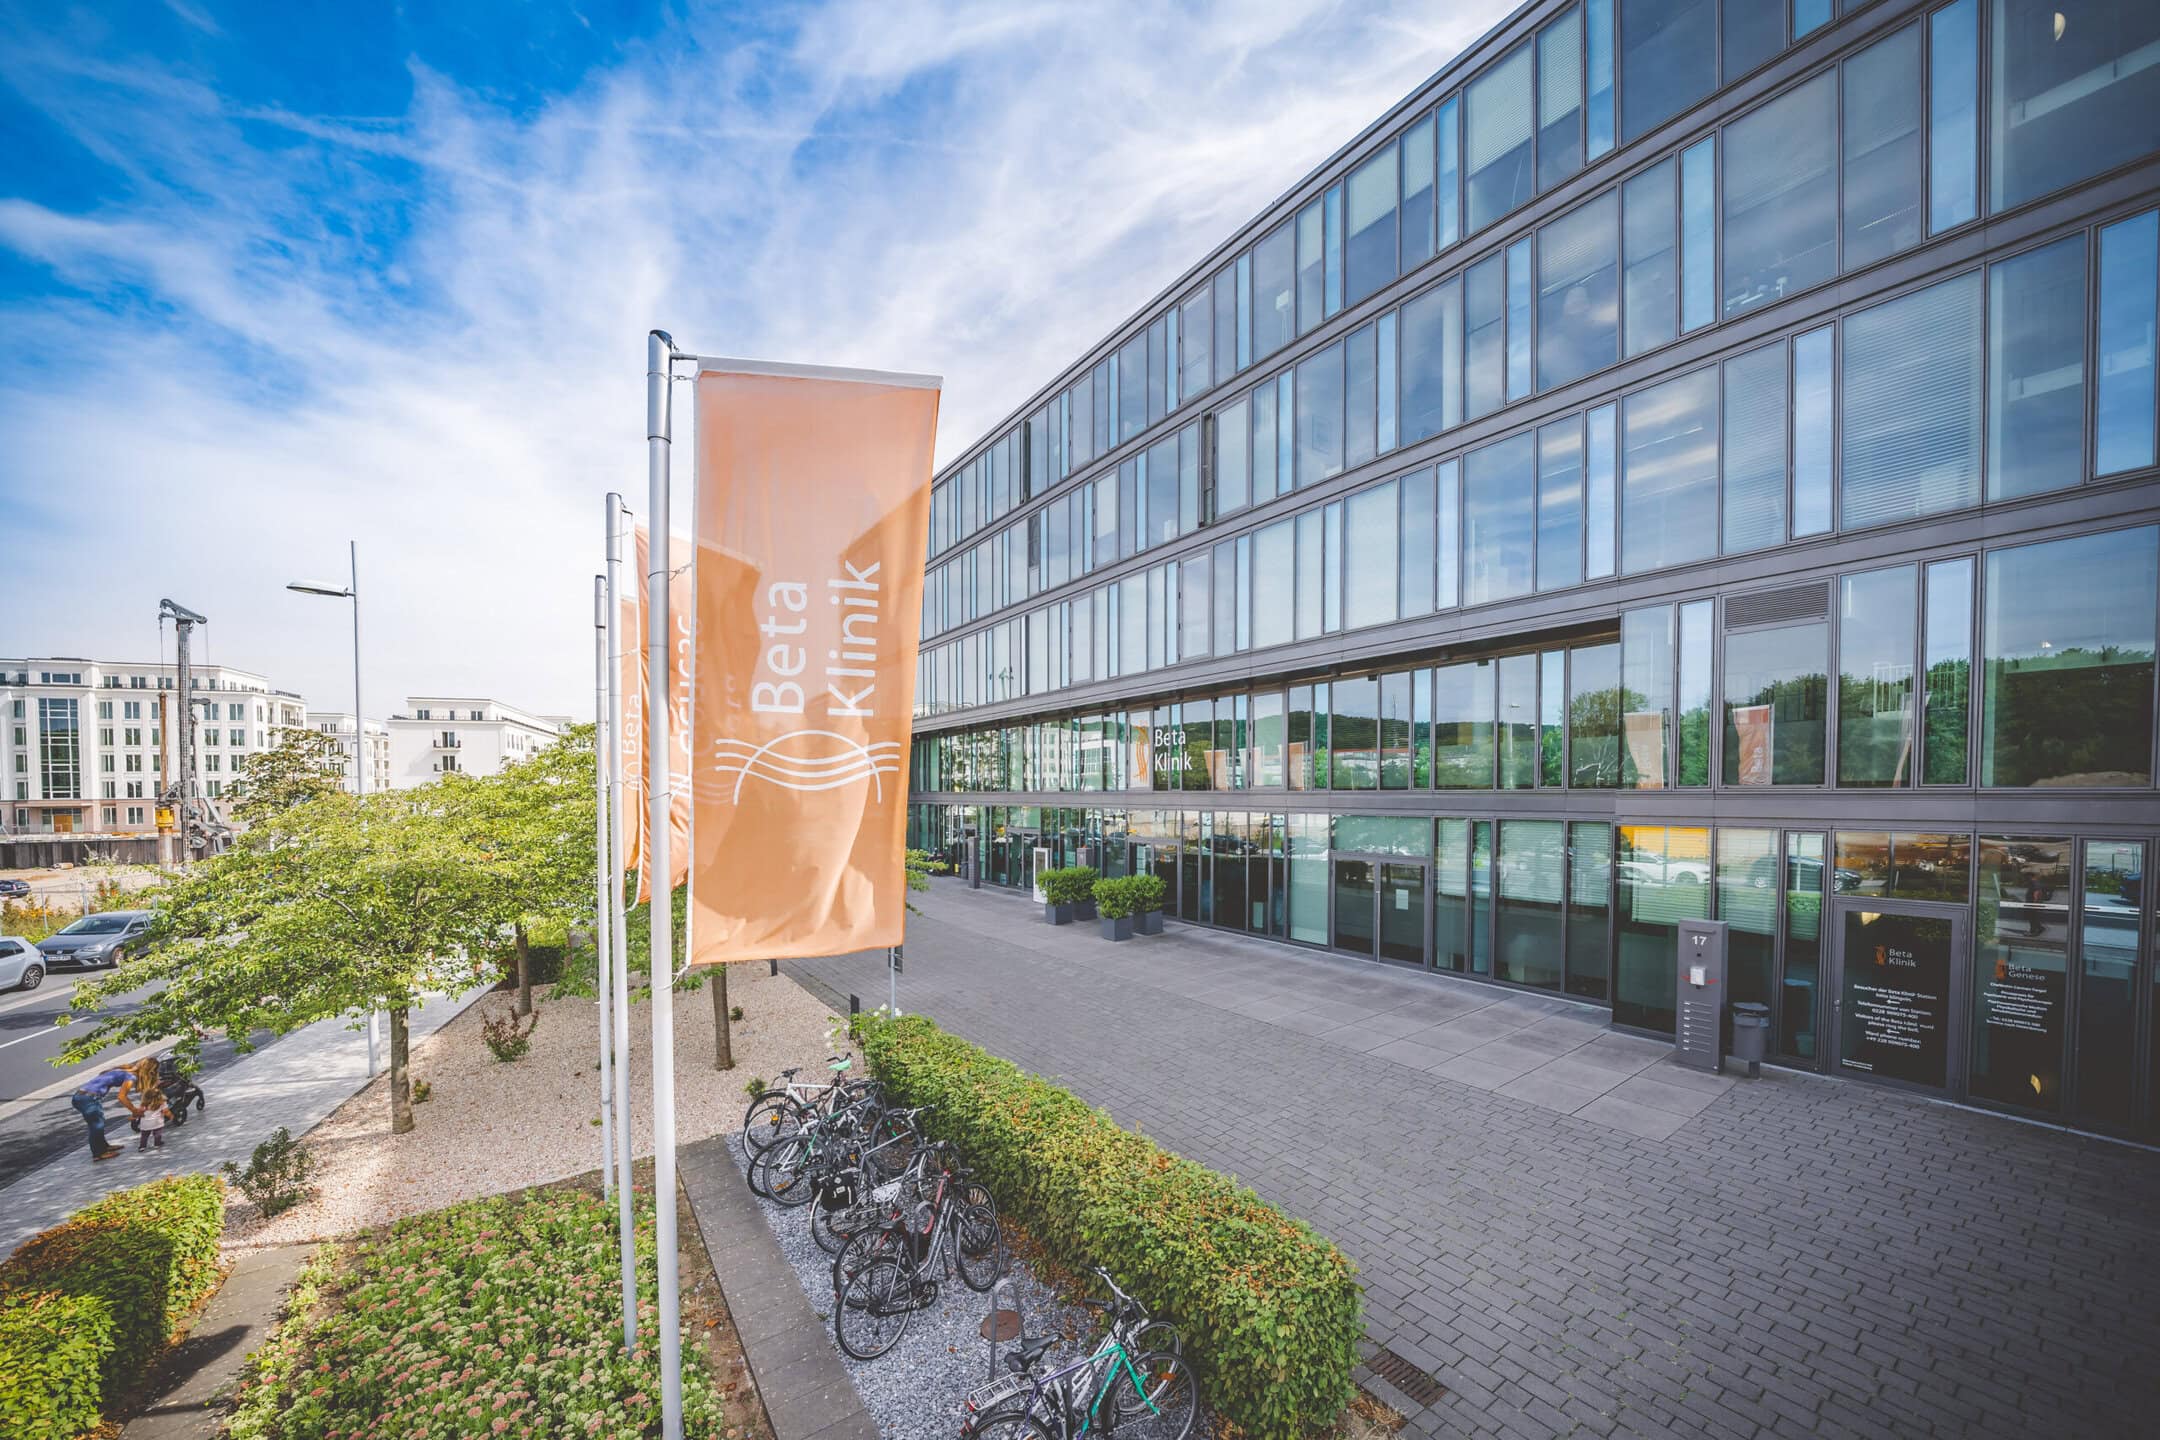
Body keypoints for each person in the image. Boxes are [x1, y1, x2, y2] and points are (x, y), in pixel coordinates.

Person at [71, 1066, 135, 1161]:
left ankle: (104, 1147)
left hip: (82, 1097)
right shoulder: (131, 1076)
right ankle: (98, 1154)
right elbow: (122, 1097)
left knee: (98, 1123)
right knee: (96, 1126)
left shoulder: (117, 1071)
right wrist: (134, 1110)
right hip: (88, 1099)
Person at [136, 1086, 171, 1151]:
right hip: (157, 1123)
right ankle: (157, 1144)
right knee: (157, 1134)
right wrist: (170, 1116)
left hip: (145, 1124)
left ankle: (142, 1146)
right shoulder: (162, 1103)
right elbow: (165, 1111)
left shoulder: (143, 1104)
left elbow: (139, 1112)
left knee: (144, 1136)